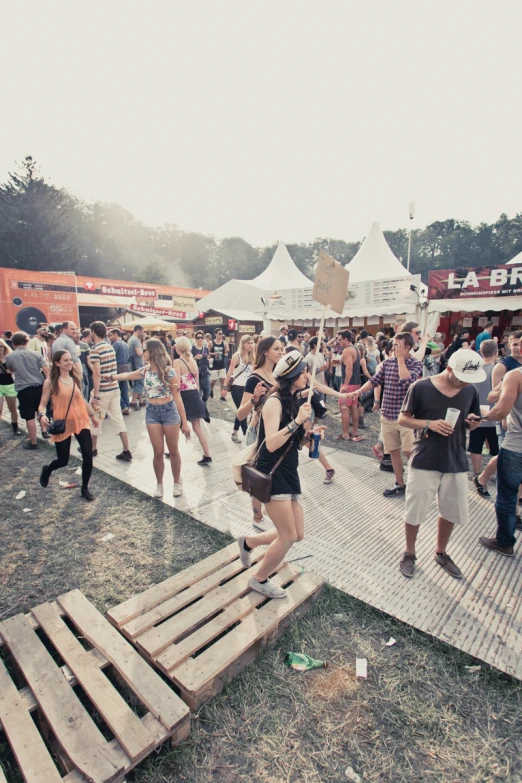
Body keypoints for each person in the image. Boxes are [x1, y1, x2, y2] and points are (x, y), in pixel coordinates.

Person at [237, 351, 325, 599]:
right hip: (271, 472)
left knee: (297, 534)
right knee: (287, 537)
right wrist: (297, 421)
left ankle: (249, 542)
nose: (307, 375)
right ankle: (259, 579)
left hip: (288, 470)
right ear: (292, 376)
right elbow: (271, 443)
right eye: (303, 372)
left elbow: (295, 439)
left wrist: (311, 436)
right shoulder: (273, 401)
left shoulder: (298, 400)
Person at [397, 349, 484, 579]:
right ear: (448, 369)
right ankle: (409, 551)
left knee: (450, 509)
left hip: (455, 458)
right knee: (415, 508)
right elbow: (403, 419)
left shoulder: (470, 390)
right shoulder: (421, 387)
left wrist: (471, 424)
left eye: (469, 380)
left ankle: (441, 552)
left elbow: (470, 420)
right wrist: (428, 424)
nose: (465, 384)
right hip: (425, 457)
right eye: (461, 379)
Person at [108, 338, 191, 497]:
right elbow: (127, 375)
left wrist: (184, 423)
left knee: (173, 450)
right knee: (158, 452)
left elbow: (178, 398)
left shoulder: (169, 372)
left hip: (169, 411)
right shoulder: (144, 370)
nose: (142, 352)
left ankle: (176, 482)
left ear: (152, 352)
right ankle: (159, 484)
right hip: (151, 412)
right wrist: (111, 377)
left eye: (144, 350)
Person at [349, 332, 423, 495]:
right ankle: (400, 483)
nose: (393, 347)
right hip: (388, 415)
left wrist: (401, 360)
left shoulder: (416, 364)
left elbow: (407, 382)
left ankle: (418, 483)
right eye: (394, 344)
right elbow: (374, 381)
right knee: (393, 451)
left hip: (407, 418)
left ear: (408, 348)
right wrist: (359, 391)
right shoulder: (387, 363)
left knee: (410, 452)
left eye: (398, 345)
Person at [235, 336, 285, 530]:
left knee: (271, 473)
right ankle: (257, 517)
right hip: (258, 433)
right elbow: (240, 415)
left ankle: (264, 512)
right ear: (265, 351)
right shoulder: (254, 378)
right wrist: (254, 400)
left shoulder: (278, 376)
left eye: (282, 349)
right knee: (258, 476)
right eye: (277, 349)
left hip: (274, 431)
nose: (281, 352)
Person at [38, 350, 99, 502]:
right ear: (57, 363)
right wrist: (42, 415)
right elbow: (42, 405)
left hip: (81, 421)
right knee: (63, 460)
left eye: (70, 360)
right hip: (63, 424)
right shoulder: (50, 382)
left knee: (87, 455)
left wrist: (92, 415)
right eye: (65, 360)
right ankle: (48, 470)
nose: (69, 363)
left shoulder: (74, 378)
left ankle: (85, 489)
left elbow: (81, 399)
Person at [479, 365, 522, 556]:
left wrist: (479, 417)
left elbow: (500, 411)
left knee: (507, 495)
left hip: (516, 446)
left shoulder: (516, 375)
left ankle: (504, 541)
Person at [88, 321, 132, 461]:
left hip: (102, 393)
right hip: (114, 389)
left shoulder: (95, 349)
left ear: (93, 331)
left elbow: (96, 373)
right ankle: (126, 450)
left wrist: (95, 395)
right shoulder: (109, 346)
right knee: (118, 419)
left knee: (97, 417)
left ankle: (93, 449)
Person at [5, 331, 50, 448]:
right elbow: (46, 371)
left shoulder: (9, 356)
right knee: (41, 410)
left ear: (13, 343)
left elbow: (11, 369)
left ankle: (33, 442)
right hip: (39, 386)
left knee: (29, 416)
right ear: (27, 342)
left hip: (24, 388)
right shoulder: (36, 354)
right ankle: (45, 431)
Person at [468, 340, 499, 497]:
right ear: (496, 353)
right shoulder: (498, 370)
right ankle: (489, 477)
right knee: (497, 450)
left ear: (480, 352)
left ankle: (477, 474)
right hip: (495, 414)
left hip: (476, 413)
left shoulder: (475, 370)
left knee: (476, 446)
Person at [222, 334, 255, 443]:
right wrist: (225, 387)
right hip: (237, 387)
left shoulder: (252, 356)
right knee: (243, 411)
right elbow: (229, 373)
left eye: (251, 343)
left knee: (242, 411)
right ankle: (246, 434)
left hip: (248, 388)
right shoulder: (237, 356)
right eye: (248, 343)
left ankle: (234, 433)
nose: (250, 345)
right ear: (243, 344)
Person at [337, 331, 364, 442]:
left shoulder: (347, 350)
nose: (338, 342)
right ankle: (354, 431)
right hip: (356, 383)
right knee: (354, 406)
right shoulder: (356, 348)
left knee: (344, 408)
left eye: (340, 339)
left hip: (349, 384)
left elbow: (349, 368)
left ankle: (345, 434)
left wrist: (345, 385)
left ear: (346, 339)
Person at [0, 338, 21, 436]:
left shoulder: (9, 357)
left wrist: (11, 371)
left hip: (10, 385)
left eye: (1, 346)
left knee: (12, 408)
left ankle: (15, 428)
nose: (0, 348)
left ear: (4, 347)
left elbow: (18, 370)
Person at [108, 329, 131, 415]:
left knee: (115, 389)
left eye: (111, 335)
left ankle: (123, 406)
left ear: (115, 334)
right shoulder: (124, 343)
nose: (110, 337)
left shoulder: (116, 344)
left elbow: (112, 356)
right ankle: (126, 406)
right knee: (124, 388)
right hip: (126, 367)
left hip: (118, 367)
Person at [127, 324, 146, 411]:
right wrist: (145, 351)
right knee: (140, 383)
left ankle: (141, 400)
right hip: (138, 364)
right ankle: (133, 401)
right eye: (142, 331)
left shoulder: (130, 339)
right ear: (138, 330)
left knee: (137, 383)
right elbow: (139, 353)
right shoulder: (136, 340)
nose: (142, 333)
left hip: (133, 364)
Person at [191, 331, 211, 402]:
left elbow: (207, 358)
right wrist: (194, 358)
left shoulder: (205, 349)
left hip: (205, 372)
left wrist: (209, 360)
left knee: (207, 392)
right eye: (198, 338)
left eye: (201, 337)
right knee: (198, 393)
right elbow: (188, 361)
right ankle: (201, 409)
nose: (200, 339)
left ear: (203, 339)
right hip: (196, 373)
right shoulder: (192, 349)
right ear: (195, 339)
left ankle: (203, 405)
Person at [306, 337, 327, 402]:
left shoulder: (321, 355)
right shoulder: (308, 357)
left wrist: (325, 382)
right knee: (315, 404)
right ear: (315, 345)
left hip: (321, 384)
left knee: (322, 403)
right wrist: (319, 369)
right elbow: (307, 373)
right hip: (313, 386)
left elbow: (324, 369)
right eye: (320, 344)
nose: (321, 345)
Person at [209, 328, 229, 399]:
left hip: (222, 364)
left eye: (222, 333)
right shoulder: (211, 343)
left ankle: (222, 396)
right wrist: (213, 353)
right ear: (215, 334)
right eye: (219, 333)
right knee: (213, 381)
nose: (221, 335)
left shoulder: (224, 343)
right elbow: (207, 352)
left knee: (223, 380)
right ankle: (211, 389)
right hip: (214, 364)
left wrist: (226, 353)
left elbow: (226, 352)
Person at [79, 329, 93, 401]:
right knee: (87, 390)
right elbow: (89, 361)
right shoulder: (85, 345)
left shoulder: (76, 344)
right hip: (86, 371)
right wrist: (95, 371)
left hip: (80, 370)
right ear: (88, 336)